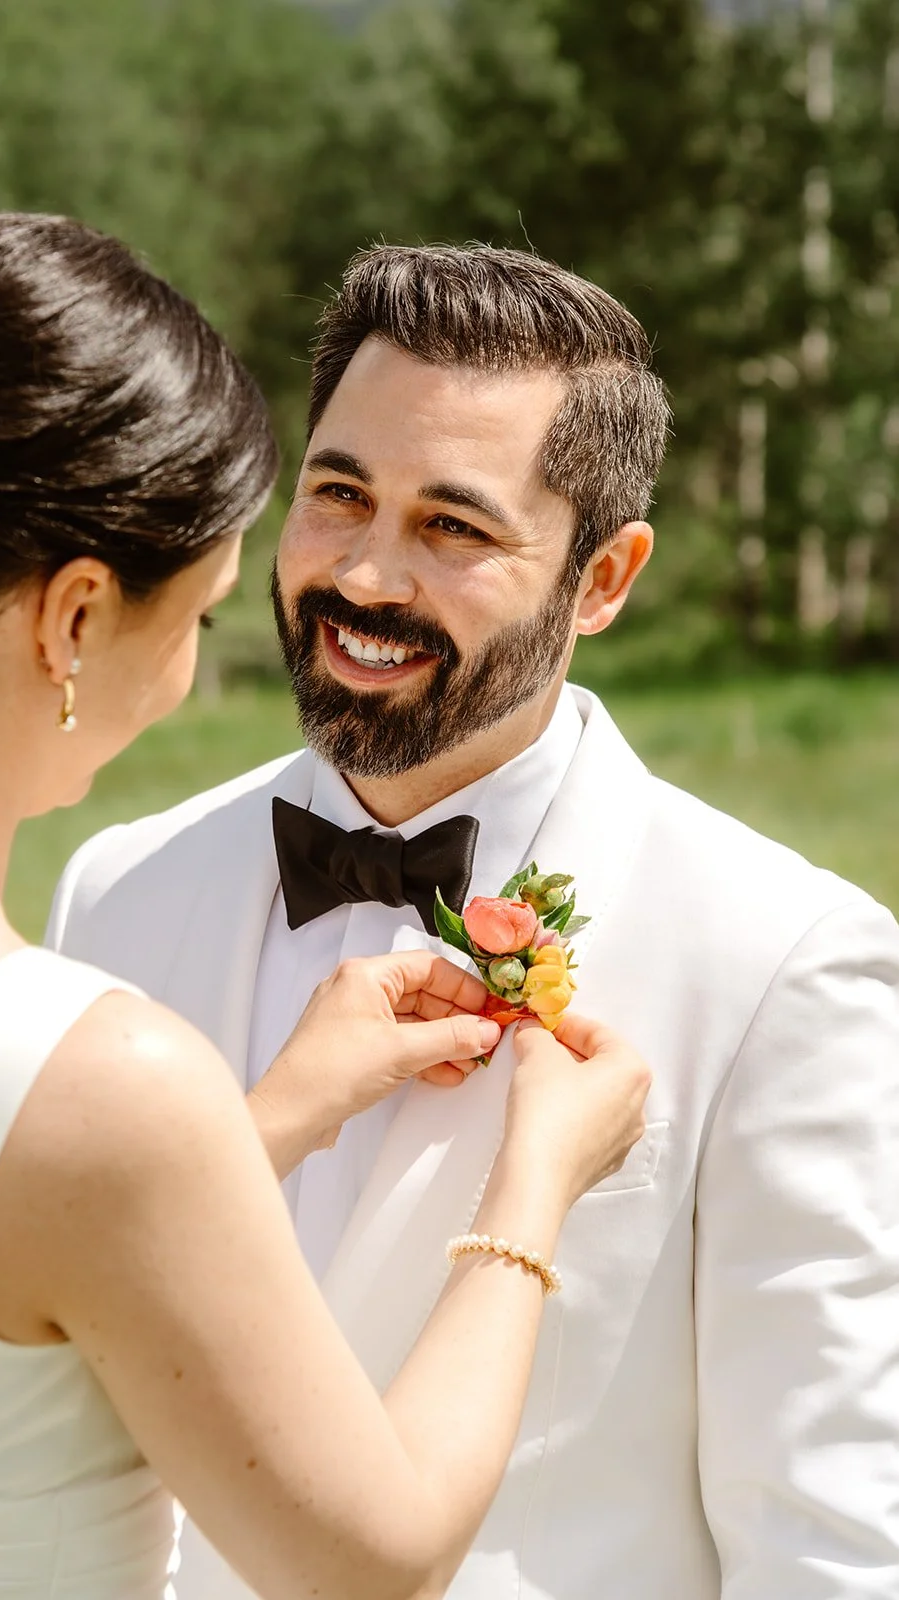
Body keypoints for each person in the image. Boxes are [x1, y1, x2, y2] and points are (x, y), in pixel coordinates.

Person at [0, 214, 651, 1600]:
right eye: (196, 620)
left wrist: (272, 1114)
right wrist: (534, 1180)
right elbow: (378, 1556)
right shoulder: (103, 1074)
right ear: (70, 621)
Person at [50, 243, 899, 1599]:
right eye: (339, 496)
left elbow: (826, 1536)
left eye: (452, 526)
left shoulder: (781, 964)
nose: (367, 579)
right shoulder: (118, 887)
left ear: (604, 578)